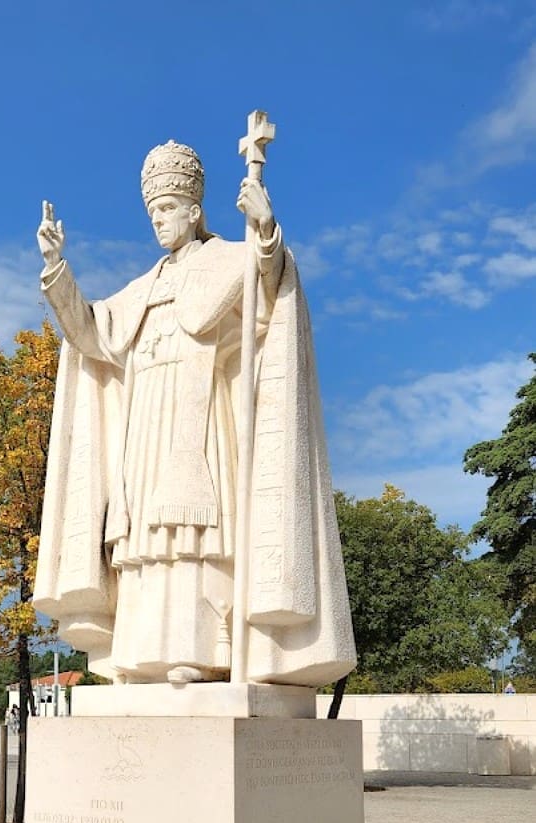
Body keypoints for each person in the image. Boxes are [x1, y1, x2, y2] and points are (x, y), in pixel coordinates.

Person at [34, 140, 356, 687]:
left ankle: (206, 648)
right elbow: (89, 332)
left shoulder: (233, 260)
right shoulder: (145, 287)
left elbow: (272, 288)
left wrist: (266, 231)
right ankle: (141, 653)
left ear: (194, 209)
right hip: (145, 427)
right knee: (145, 543)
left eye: (167, 210)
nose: (159, 221)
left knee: (197, 537)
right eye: (152, 212)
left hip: (205, 420)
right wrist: (57, 269)